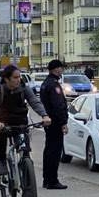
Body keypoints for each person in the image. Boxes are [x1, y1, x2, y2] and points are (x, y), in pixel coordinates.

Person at [0, 65, 51, 176]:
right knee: (1, 136)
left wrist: (44, 115)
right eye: (15, 77)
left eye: (19, 77)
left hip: (20, 121)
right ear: (7, 79)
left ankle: (27, 174)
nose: (18, 80)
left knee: (25, 149)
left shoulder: (23, 88)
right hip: (4, 122)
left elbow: (34, 101)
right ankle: (1, 161)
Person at [39, 59, 69, 189]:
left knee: (49, 151)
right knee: (55, 152)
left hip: (48, 121)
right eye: (60, 68)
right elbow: (58, 105)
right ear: (55, 69)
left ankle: (47, 179)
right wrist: (63, 122)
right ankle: (52, 180)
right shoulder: (54, 85)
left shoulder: (45, 83)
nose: (61, 70)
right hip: (55, 122)